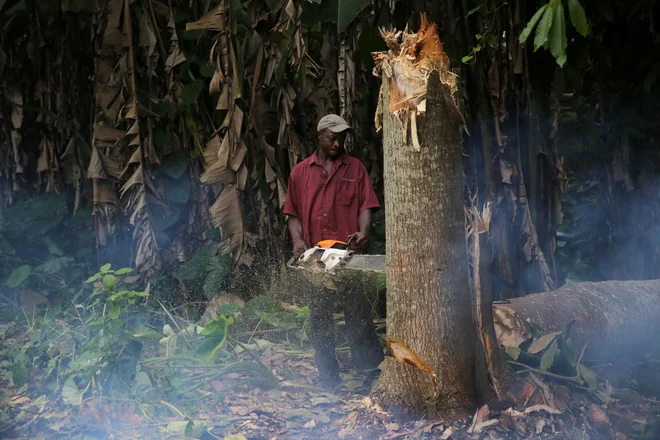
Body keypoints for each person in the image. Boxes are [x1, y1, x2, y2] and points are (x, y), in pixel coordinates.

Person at [284, 114, 384, 388]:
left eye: (341, 138)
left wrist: (363, 233)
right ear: (319, 137)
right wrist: (297, 242)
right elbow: (292, 213)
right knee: (319, 319)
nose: (337, 143)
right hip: (315, 260)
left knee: (358, 315)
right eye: (331, 138)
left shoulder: (355, 169)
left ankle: (369, 373)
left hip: (348, 258)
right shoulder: (301, 172)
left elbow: (366, 205)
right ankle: (328, 378)